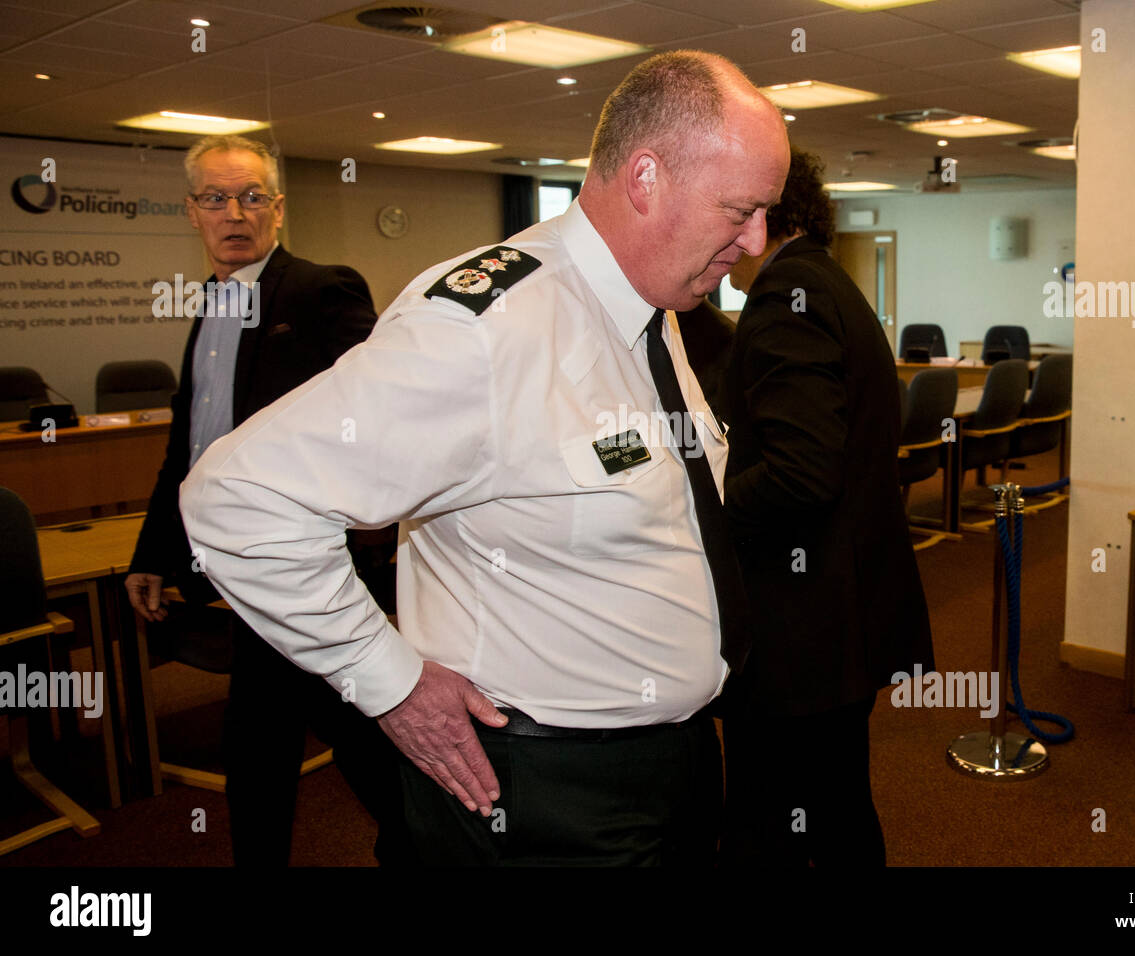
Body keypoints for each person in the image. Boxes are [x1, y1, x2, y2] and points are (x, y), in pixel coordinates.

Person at [179, 51, 790, 866]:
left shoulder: (652, 304)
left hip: (668, 764)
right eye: (739, 210)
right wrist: (386, 680)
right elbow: (236, 500)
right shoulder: (485, 329)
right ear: (646, 179)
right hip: (537, 793)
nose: (754, 243)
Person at [124, 134, 402, 866]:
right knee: (302, 726)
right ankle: (427, 838)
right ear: (192, 213)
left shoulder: (320, 290)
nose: (234, 213)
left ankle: (429, 838)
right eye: (216, 198)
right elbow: (190, 447)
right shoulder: (206, 309)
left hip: (301, 561)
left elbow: (374, 406)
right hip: (235, 566)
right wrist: (154, 551)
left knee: (296, 729)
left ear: (277, 208)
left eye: (252, 196)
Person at [717, 146, 934, 867]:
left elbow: (800, 472)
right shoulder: (824, 280)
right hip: (843, 616)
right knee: (837, 811)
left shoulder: (784, 298)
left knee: (773, 821)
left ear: (757, 218)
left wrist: (707, 509)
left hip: (800, 630)